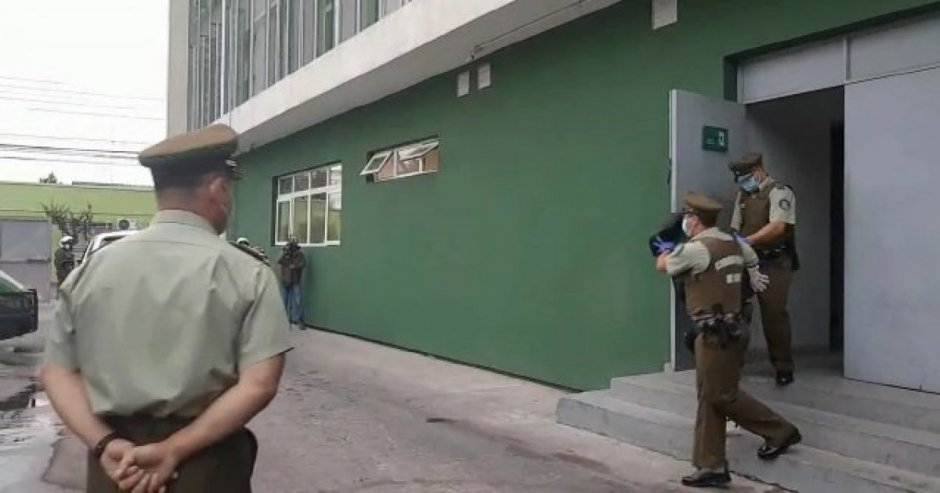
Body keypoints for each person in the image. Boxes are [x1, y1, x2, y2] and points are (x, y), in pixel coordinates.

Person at [40, 123, 292, 493]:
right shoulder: (248, 273)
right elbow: (260, 384)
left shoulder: (90, 270)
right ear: (218, 189)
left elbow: (56, 373)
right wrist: (173, 450)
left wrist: (107, 445)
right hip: (205, 469)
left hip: (116, 472)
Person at [654, 192, 801, 488]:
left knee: (722, 395)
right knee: (709, 396)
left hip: (715, 334)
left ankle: (780, 430)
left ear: (694, 219)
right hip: (732, 328)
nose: (685, 222)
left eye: (686, 217)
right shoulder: (732, 241)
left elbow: (663, 265)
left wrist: (665, 241)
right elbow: (751, 258)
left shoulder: (696, 249)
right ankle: (711, 465)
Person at [728, 153, 799, 386]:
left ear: (758, 172)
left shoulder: (780, 192)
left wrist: (748, 241)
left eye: (745, 178)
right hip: (747, 261)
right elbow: (735, 227)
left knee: (774, 315)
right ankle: (732, 364)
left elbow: (778, 227)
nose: (743, 183)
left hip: (774, 262)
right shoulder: (743, 195)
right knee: (733, 308)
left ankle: (783, 366)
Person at [277, 236, 306, 327]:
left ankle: (300, 321)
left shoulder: (300, 254)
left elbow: (303, 263)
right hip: (285, 280)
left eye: (295, 242)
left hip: (295, 280)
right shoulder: (285, 253)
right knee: (284, 302)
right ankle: (282, 321)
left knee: (298, 301)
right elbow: (279, 260)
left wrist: (295, 266)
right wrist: (284, 251)